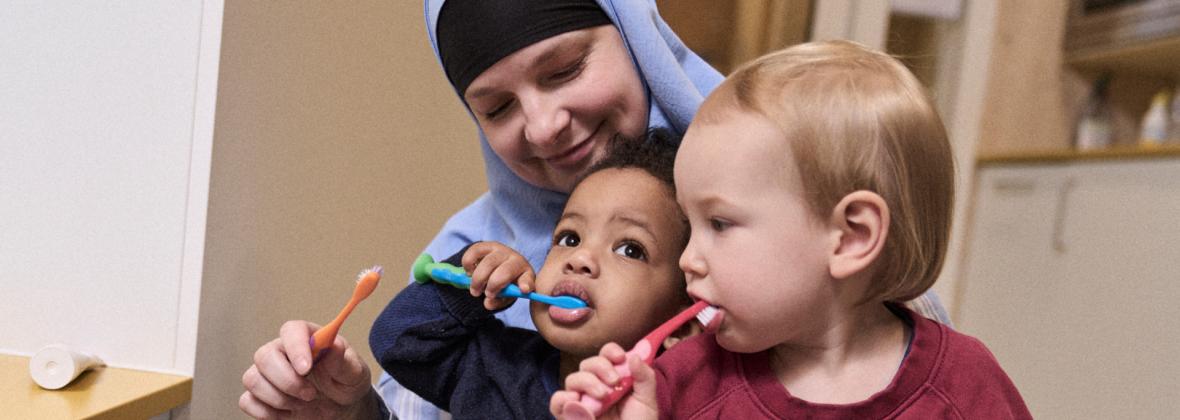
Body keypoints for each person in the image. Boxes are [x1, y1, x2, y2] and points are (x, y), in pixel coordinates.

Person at [239, 0, 950, 417]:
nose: (544, 126)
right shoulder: (475, 256)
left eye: (566, 69)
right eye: (496, 106)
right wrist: (350, 412)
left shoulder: (789, 247)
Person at [552, 40, 1031, 419]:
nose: (687, 259)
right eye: (691, 224)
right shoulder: (676, 384)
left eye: (719, 223)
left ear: (851, 238)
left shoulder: (968, 388)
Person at [371, 132, 694, 418]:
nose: (580, 258)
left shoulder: (685, 405)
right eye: (570, 238)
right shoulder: (496, 368)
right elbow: (397, 341)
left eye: (629, 249)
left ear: (683, 320)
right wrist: (473, 282)